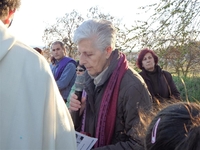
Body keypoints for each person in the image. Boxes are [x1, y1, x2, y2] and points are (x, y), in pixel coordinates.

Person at [0, 1, 76, 149]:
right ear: (10, 13)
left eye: (57, 49)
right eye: (53, 50)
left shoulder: (68, 64)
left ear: (64, 50)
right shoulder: (36, 64)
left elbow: (62, 84)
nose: (55, 52)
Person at [69, 19, 152, 149]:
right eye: (80, 53)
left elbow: (141, 144)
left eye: (89, 54)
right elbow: (78, 130)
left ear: (108, 51)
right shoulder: (88, 78)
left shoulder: (133, 87)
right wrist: (76, 114)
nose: (82, 61)